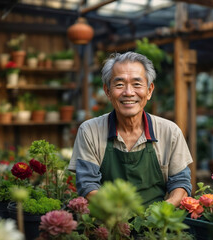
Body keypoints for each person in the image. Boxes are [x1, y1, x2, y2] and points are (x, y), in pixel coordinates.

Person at [68, 52, 193, 207]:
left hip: (156, 225)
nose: (128, 92)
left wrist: (163, 210)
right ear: (107, 91)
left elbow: (181, 182)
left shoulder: (170, 132)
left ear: (149, 91)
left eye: (137, 84)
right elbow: (87, 184)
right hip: (108, 222)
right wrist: (116, 213)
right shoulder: (90, 131)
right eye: (119, 84)